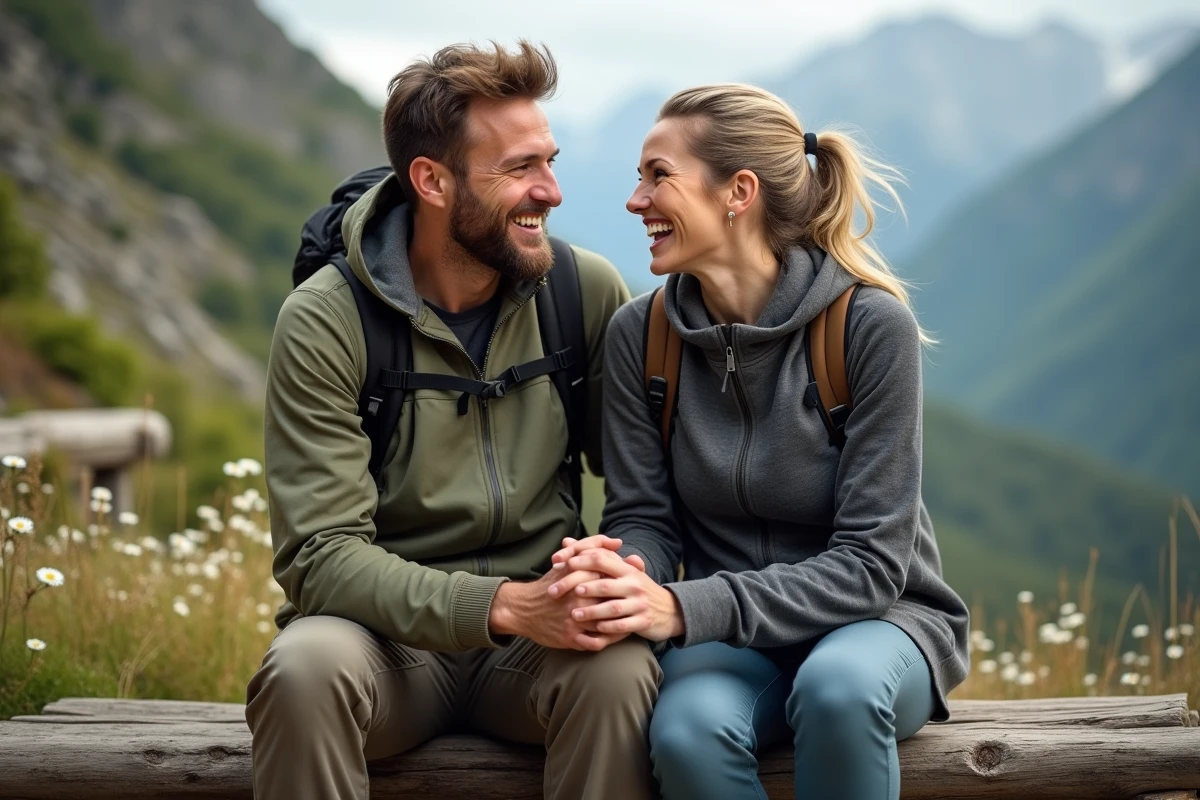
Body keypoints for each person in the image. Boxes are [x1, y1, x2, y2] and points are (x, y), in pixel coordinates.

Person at [245, 42, 658, 800]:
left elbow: (644, 492)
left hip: (537, 648)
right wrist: (502, 606)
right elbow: (320, 557)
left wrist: (610, 577)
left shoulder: (583, 292)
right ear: (432, 181)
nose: (552, 192)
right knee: (302, 671)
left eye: (551, 160)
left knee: (620, 667)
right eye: (520, 169)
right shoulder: (326, 320)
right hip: (385, 645)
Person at [548, 83, 971, 799]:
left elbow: (872, 563)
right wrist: (625, 573)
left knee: (838, 692)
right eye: (637, 177)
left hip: (878, 622)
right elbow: (644, 517)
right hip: (735, 641)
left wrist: (684, 609)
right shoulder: (641, 338)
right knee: (686, 734)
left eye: (659, 176)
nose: (635, 201)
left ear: (737, 192)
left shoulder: (868, 327)